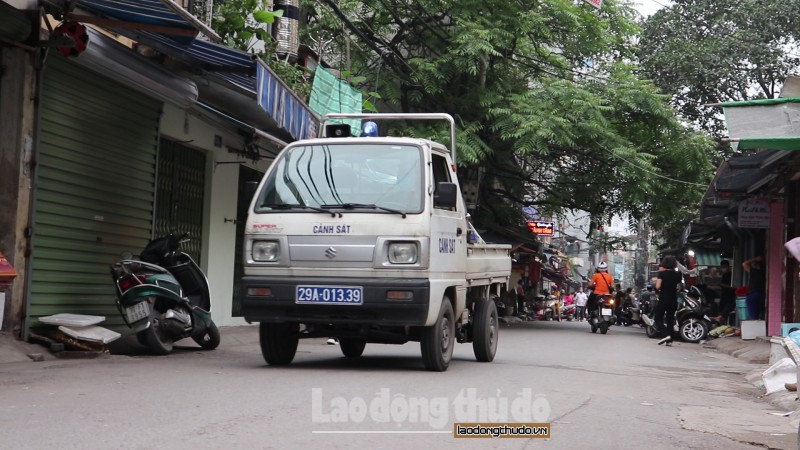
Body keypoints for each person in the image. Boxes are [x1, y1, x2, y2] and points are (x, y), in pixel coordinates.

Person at [655, 255, 683, 346]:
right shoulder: (678, 274)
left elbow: (658, 287)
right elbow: (679, 287)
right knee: (670, 320)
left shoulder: (662, 273)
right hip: (673, 299)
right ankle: (670, 341)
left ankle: (666, 335)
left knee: (658, 318)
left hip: (663, 299)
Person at [742, 255, 766, 320]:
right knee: (762, 315)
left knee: (754, 318)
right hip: (762, 295)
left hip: (753, 295)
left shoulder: (754, 272)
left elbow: (744, 264)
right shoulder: (765, 273)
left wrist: (755, 259)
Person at [716, 260, 736, 324]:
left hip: (730, 297)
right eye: (722, 267)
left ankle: (722, 321)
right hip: (724, 296)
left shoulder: (731, 275)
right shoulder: (724, 275)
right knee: (721, 311)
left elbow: (732, 286)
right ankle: (720, 324)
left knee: (725, 312)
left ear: (728, 266)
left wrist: (721, 284)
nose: (723, 268)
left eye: (724, 267)